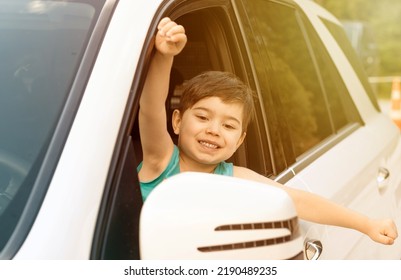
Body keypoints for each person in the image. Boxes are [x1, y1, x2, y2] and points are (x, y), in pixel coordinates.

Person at [137, 17, 398, 245]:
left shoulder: (234, 177)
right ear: (177, 122)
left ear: (240, 140)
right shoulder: (161, 161)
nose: (214, 130)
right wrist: (164, 56)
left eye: (228, 125)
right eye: (203, 117)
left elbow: (300, 202)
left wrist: (366, 224)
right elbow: (150, 108)